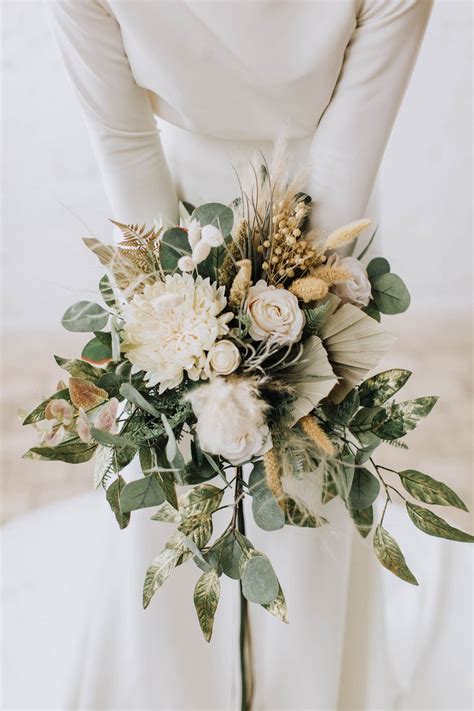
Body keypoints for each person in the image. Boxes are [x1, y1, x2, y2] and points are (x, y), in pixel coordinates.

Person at [3, 2, 436, 709]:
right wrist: (172, 323)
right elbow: (127, 147)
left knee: (311, 493)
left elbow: (344, 164)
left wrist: (292, 325)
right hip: (167, 218)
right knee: (169, 497)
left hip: (327, 223)